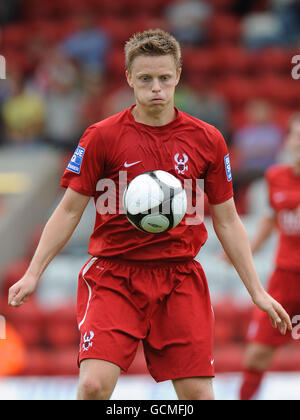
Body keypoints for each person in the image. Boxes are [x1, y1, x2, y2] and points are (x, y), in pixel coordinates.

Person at [8, 29, 291, 401]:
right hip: (115, 274)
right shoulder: (101, 137)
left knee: (198, 396)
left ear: (177, 76)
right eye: (145, 79)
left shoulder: (208, 139)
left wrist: (257, 291)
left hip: (179, 277)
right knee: (93, 386)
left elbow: (227, 219)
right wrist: (33, 273)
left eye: (163, 78)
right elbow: (69, 209)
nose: (155, 87)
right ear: (129, 78)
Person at [239, 113, 300, 400]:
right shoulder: (276, 176)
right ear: (287, 140)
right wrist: (247, 250)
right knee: (255, 357)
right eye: (296, 135)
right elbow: (270, 218)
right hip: (285, 280)